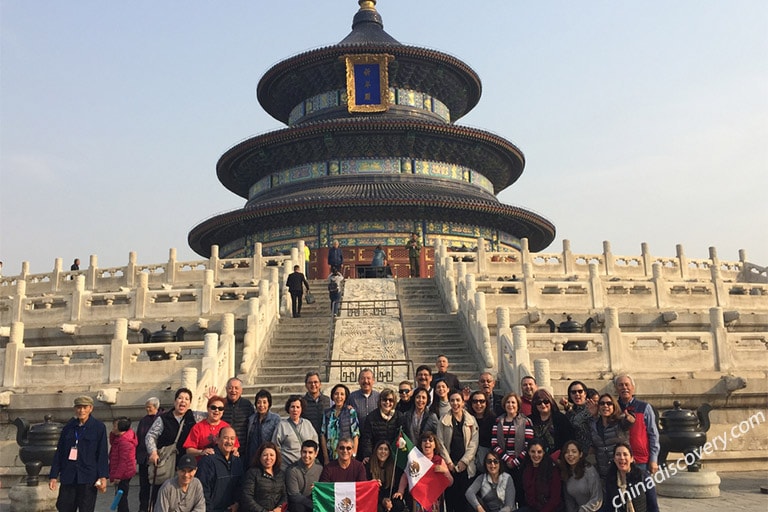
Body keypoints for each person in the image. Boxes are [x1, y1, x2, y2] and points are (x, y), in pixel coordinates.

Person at [49, 395, 109, 512]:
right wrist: (53, 476)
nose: (81, 411)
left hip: (88, 477)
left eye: (84, 407)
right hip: (69, 476)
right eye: (78, 407)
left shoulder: (98, 427)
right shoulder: (68, 427)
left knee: (86, 508)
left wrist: (103, 476)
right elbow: (60, 453)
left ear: (90, 408)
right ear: (74, 409)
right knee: (64, 507)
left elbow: (102, 453)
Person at [146, 388, 206, 498]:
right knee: (162, 492)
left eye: (186, 399)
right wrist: (153, 452)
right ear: (175, 401)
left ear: (189, 403)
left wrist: (212, 400)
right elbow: (150, 436)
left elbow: (212, 415)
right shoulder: (164, 418)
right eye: (180, 398)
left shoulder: (194, 417)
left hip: (185, 463)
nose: (183, 401)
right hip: (166, 461)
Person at [438, 390, 478, 512]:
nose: (455, 403)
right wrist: (449, 462)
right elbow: (440, 443)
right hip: (450, 466)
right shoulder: (443, 420)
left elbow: (474, 443)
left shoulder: (471, 420)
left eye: (458, 400)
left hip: (466, 466)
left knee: (464, 500)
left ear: (463, 402)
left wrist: (464, 461)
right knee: (451, 500)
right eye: (452, 400)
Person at [393, 431, 453, 512]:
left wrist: (445, 471)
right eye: (424, 440)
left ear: (435, 445)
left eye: (430, 440)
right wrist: (400, 491)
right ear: (421, 445)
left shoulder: (439, 460)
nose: (427, 442)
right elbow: (405, 476)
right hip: (418, 500)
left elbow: (450, 482)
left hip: (435, 501)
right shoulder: (415, 460)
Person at [491, 393, 533, 507]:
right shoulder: (498, 421)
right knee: (506, 497)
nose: (510, 405)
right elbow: (494, 443)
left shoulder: (525, 421)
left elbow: (529, 444)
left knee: (521, 494)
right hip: (504, 464)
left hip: (521, 464)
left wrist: (516, 461)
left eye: (513, 402)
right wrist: (507, 459)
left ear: (518, 405)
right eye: (508, 402)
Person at [614, 374, 660, 474]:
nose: (624, 388)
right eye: (620, 385)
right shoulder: (613, 408)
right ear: (616, 389)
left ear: (633, 388)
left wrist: (654, 460)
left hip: (641, 459)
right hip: (620, 460)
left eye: (627, 385)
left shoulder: (644, 407)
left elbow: (653, 434)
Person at [196, 426, 244, 512]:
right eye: (225, 438)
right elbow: (203, 490)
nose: (229, 442)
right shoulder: (208, 461)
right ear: (217, 439)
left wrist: (237, 503)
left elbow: (240, 486)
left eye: (232, 439)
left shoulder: (237, 461)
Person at [600, 442, 659, 512]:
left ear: (631, 459)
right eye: (618, 454)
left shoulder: (643, 477)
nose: (622, 458)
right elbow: (609, 506)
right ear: (614, 459)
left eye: (625, 454)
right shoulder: (611, 479)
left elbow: (653, 506)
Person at [591, 394, 634, 480]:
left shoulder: (620, 421)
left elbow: (629, 421)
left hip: (622, 469)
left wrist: (631, 419)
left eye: (609, 403)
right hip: (603, 472)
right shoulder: (594, 424)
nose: (605, 406)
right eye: (602, 403)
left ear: (614, 406)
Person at [272, 396, 318, 470]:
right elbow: (276, 446)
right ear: (288, 409)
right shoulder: (282, 425)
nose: (295, 410)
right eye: (292, 407)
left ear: (301, 409)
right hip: (288, 466)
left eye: (298, 407)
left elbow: (315, 443)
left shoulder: (307, 424)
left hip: (307, 465)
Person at [359, 388, 405, 462]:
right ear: (380, 401)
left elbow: (402, 436)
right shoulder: (371, 417)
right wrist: (367, 454)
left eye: (390, 400)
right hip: (376, 455)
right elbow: (367, 438)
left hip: (394, 456)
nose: (387, 402)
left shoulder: (399, 416)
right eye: (384, 399)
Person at [241, 442, 287, 512]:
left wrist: (279, 508)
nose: (268, 458)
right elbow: (247, 497)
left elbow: (284, 496)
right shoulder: (253, 473)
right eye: (265, 455)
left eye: (272, 455)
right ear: (259, 457)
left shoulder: (280, 474)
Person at [519, 438, 562, 512]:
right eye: (533, 451)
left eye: (539, 452)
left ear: (544, 452)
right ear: (528, 452)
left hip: (550, 509)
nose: (536, 455)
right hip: (533, 508)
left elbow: (555, 499)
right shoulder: (526, 470)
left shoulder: (552, 470)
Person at [320, 383, 360, 463]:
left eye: (342, 394)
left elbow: (355, 435)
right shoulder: (327, 413)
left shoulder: (351, 412)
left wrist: (354, 455)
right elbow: (322, 435)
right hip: (331, 456)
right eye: (336, 394)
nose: (339, 397)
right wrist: (326, 457)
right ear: (332, 396)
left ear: (345, 397)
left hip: (346, 455)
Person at [560, 440, 603, 512]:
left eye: (574, 451)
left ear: (580, 454)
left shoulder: (589, 470)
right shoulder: (566, 473)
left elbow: (597, 498)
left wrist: (582, 510)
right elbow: (569, 501)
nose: (570, 454)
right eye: (567, 452)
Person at [529, 388, 573, 458]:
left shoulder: (560, 418)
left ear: (550, 401)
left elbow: (568, 440)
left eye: (546, 401)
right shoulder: (530, 420)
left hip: (557, 459)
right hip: (535, 458)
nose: (543, 405)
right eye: (539, 402)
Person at [137, 397, 163, 512]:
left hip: (157, 457)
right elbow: (139, 438)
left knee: (157, 486)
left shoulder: (163, 418)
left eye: (149, 407)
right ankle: (143, 508)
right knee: (144, 486)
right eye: (146, 407)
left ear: (156, 407)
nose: (147, 409)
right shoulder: (143, 420)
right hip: (144, 458)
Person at [246, 389, 281, 467]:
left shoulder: (275, 419)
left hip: (267, 456)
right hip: (253, 456)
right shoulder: (251, 419)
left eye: (264, 402)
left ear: (269, 404)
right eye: (259, 402)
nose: (261, 405)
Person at [367, 440, 405, 512]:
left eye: (386, 449)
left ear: (389, 452)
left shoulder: (394, 468)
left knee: (398, 504)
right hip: (375, 498)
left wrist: (389, 500)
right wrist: (382, 500)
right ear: (376, 451)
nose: (383, 452)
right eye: (380, 449)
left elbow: (395, 486)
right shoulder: (368, 466)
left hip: (389, 496)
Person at [109, 417, 138, 512]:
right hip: (122, 471)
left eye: (115, 426)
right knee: (120, 496)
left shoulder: (125, 442)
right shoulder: (119, 439)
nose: (112, 428)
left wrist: (118, 476)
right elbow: (112, 442)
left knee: (121, 498)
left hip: (123, 474)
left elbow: (123, 461)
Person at [562, 381, 597, 455]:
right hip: (574, 453)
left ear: (585, 394)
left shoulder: (592, 408)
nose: (577, 394)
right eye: (573, 392)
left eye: (580, 391)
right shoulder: (570, 412)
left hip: (591, 452)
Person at [286, 440, 322, 512]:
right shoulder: (292, 470)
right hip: (298, 504)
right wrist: (312, 505)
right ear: (300, 452)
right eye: (304, 452)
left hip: (314, 501)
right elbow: (294, 495)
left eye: (310, 452)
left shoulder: (320, 469)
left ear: (316, 454)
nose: (306, 456)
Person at [467, 390, 496, 475]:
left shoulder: (492, 419)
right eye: (475, 401)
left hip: (486, 458)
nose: (478, 404)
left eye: (482, 401)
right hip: (469, 457)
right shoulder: (467, 418)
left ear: (486, 403)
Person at [222, 377, 255, 450]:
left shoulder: (247, 405)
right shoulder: (221, 404)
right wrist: (212, 401)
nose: (233, 391)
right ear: (226, 389)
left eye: (236, 388)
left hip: (242, 449)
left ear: (241, 390)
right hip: (224, 449)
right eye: (230, 388)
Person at [301, 372, 330, 444]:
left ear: (320, 384)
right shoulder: (301, 402)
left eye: (315, 382)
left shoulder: (328, 400)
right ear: (306, 385)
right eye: (310, 382)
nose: (313, 385)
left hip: (326, 440)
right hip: (309, 441)